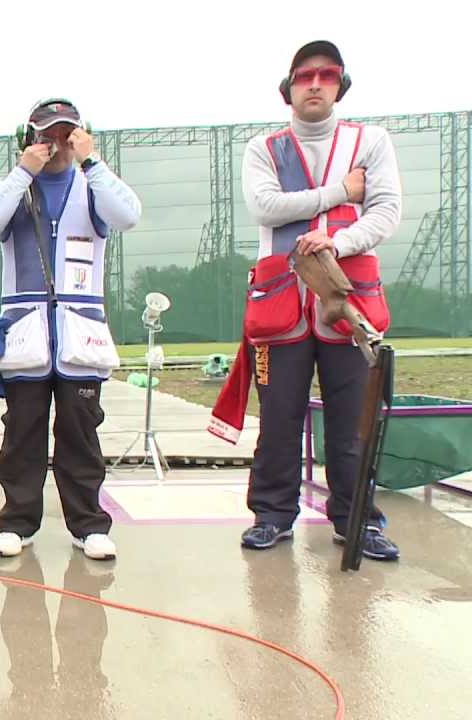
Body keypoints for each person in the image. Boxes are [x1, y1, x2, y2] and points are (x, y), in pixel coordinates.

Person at [211, 40, 402, 560]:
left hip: (349, 298)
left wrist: (335, 243)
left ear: (339, 84)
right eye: (304, 76)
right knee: (278, 421)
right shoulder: (265, 148)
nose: (315, 83)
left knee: (351, 423)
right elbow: (267, 206)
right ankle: (272, 516)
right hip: (281, 306)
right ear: (289, 88)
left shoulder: (371, 141)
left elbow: (385, 213)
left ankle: (357, 520)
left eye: (326, 74)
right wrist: (342, 191)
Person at [0, 98, 141, 560]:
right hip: (26, 334)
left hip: (80, 334)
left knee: (80, 434)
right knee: (22, 432)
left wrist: (94, 161)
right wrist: (22, 171)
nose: (57, 144)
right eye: (48, 135)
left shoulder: (92, 184)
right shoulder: (16, 189)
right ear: (32, 138)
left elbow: (128, 215)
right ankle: (17, 523)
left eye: (66, 134)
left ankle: (89, 525)